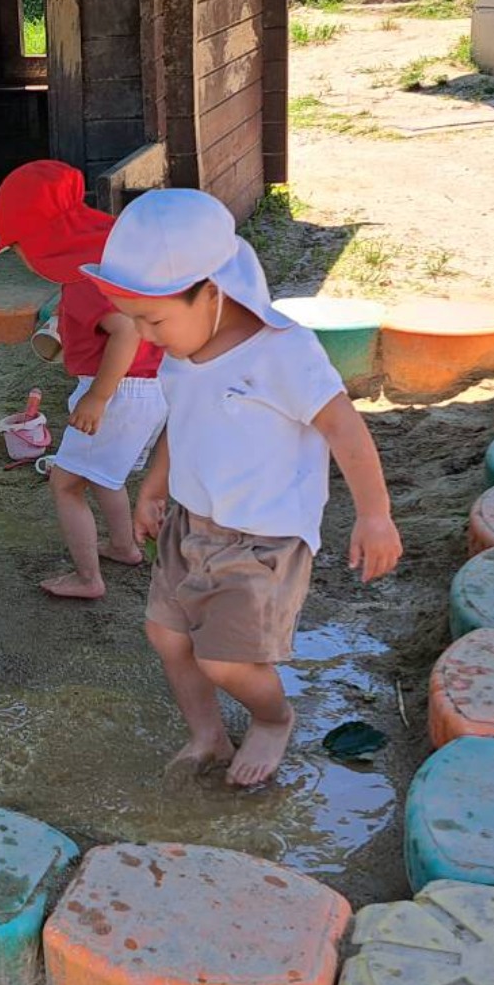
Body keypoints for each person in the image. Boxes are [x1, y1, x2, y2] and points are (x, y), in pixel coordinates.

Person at [83, 189, 404, 787]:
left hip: (263, 539)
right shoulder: (183, 352)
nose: (146, 338)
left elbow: (344, 427)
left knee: (225, 658)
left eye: (153, 320)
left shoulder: (282, 352)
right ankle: (206, 733)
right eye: (136, 321)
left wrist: (375, 515)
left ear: (212, 292)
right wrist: (153, 487)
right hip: (190, 523)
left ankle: (273, 717)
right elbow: (183, 423)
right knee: (166, 635)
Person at [0, 160, 167, 601]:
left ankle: (88, 579)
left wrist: (97, 396)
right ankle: (124, 547)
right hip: (147, 387)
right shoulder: (104, 259)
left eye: (18, 248)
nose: (20, 259)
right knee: (103, 477)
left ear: (45, 241)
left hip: (119, 392)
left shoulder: (89, 279)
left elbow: (124, 330)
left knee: (66, 483)